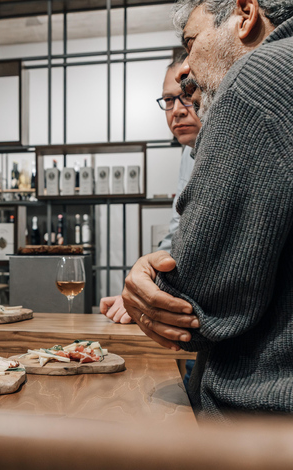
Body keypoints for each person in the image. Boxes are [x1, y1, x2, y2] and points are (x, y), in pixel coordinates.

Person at [122, 0, 293, 420]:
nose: (184, 69)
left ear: (245, 12)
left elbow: (196, 305)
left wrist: (145, 278)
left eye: (191, 42)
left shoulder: (265, 75)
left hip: (277, 425)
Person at [100, 54, 202, 324]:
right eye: (169, 100)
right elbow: (177, 231)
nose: (178, 110)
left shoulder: (226, 147)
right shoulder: (187, 153)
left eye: (188, 95)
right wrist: (141, 290)